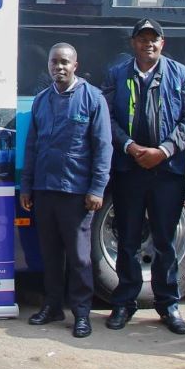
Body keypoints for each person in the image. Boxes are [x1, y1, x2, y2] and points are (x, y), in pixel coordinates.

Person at [100, 18, 185, 333]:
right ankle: (124, 303)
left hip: (167, 173)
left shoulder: (181, 75)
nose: (149, 44)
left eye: (154, 39)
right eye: (142, 39)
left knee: (165, 242)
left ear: (163, 43)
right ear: (134, 44)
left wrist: (165, 150)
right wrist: (129, 146)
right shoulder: (117, 74)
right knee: (128, 240)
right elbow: (108, 116)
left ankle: (168, 305)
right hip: (129, 170)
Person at [19, 43, 110, 338]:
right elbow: (32, 146)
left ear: (75, 65)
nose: (59, 67)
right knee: (50, 254)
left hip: (76, 192)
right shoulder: (41, 101)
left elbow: (102, 148)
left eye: (64, 62)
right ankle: (53, 306)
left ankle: (82, 313)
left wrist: (97, 189)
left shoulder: (92, 99)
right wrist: (28, 187)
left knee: (80, 257)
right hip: (45, 189)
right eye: (54, 62)